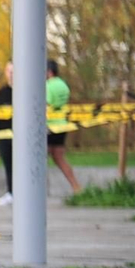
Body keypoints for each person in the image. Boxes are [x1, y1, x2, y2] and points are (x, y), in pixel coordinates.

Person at [46, 59, 82, 194]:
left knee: (38, 161)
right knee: (60, 159)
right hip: (62, 126)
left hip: (50, 127)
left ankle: (36, 191)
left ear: (49, 72)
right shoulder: (63, 85)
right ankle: (76, 187)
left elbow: (46, 106)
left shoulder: (48, 86)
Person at [0, 61, 13, 206]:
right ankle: (11, 192)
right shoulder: (1, 93)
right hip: (4, 135)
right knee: (8, 164)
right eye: (9, 71)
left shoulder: (25, 91)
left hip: (21, 137)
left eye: (14, 71)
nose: (11, 74)